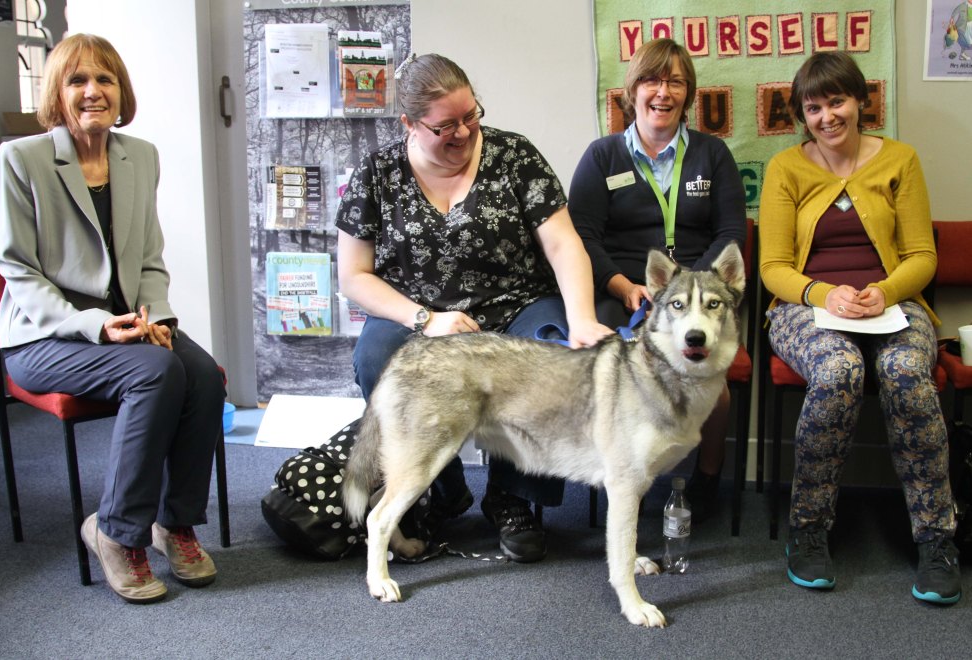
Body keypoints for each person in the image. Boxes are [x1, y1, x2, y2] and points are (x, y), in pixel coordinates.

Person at [336, 53, 611, 562]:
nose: (463, 132)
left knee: (552, 349)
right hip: (418, 313)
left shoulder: (515, 156)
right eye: (446, 126)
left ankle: (513, 497)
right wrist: (424, 319)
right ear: (409, 124)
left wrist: (582, 319)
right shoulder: (377, 173)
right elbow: (353, 275)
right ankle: (439, 486)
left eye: (471, 115)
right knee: (377, 359)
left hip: (515, 305)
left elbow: (563, 244)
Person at [0, 34, 224, 604]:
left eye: (105, 79)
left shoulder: (139, 155)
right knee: (155, 373)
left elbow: (149, 257)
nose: (93, 91)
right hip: (45, 336)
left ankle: (174, 521)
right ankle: (116, 531)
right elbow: (16, 268)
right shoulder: (20, 159)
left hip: (129, 327)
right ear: (57, 92)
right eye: (78, 80)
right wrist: (95, 325)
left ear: (121, 91)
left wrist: (156, 318)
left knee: (200, 373)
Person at [759, 51, 961, 604]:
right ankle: (808, 530)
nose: (827, 117)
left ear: (860, 101)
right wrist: (825, 294)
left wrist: (885, 292)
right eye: (813, 108)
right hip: (805, 308)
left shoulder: (901, 160)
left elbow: (922, 255)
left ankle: (937, 539)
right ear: (802, 115)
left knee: (907, 374)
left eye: (837, 101)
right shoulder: (785, 168)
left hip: (893, 305)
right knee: (839, 371)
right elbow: (773, 267)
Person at [568, 38, 746, 522]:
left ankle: (707, 478)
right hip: (621, 292)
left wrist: (684, 292)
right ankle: (625, 476)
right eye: (652, 80)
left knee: (715, 387)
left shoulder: (712, 154)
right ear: (633, 90)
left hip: (697, 298)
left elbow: (730, 233)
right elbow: (582, 236)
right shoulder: (602, 156)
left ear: (688, 94)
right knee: (614, 377)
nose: (663, 92)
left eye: (676, 82)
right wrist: (621, 285)